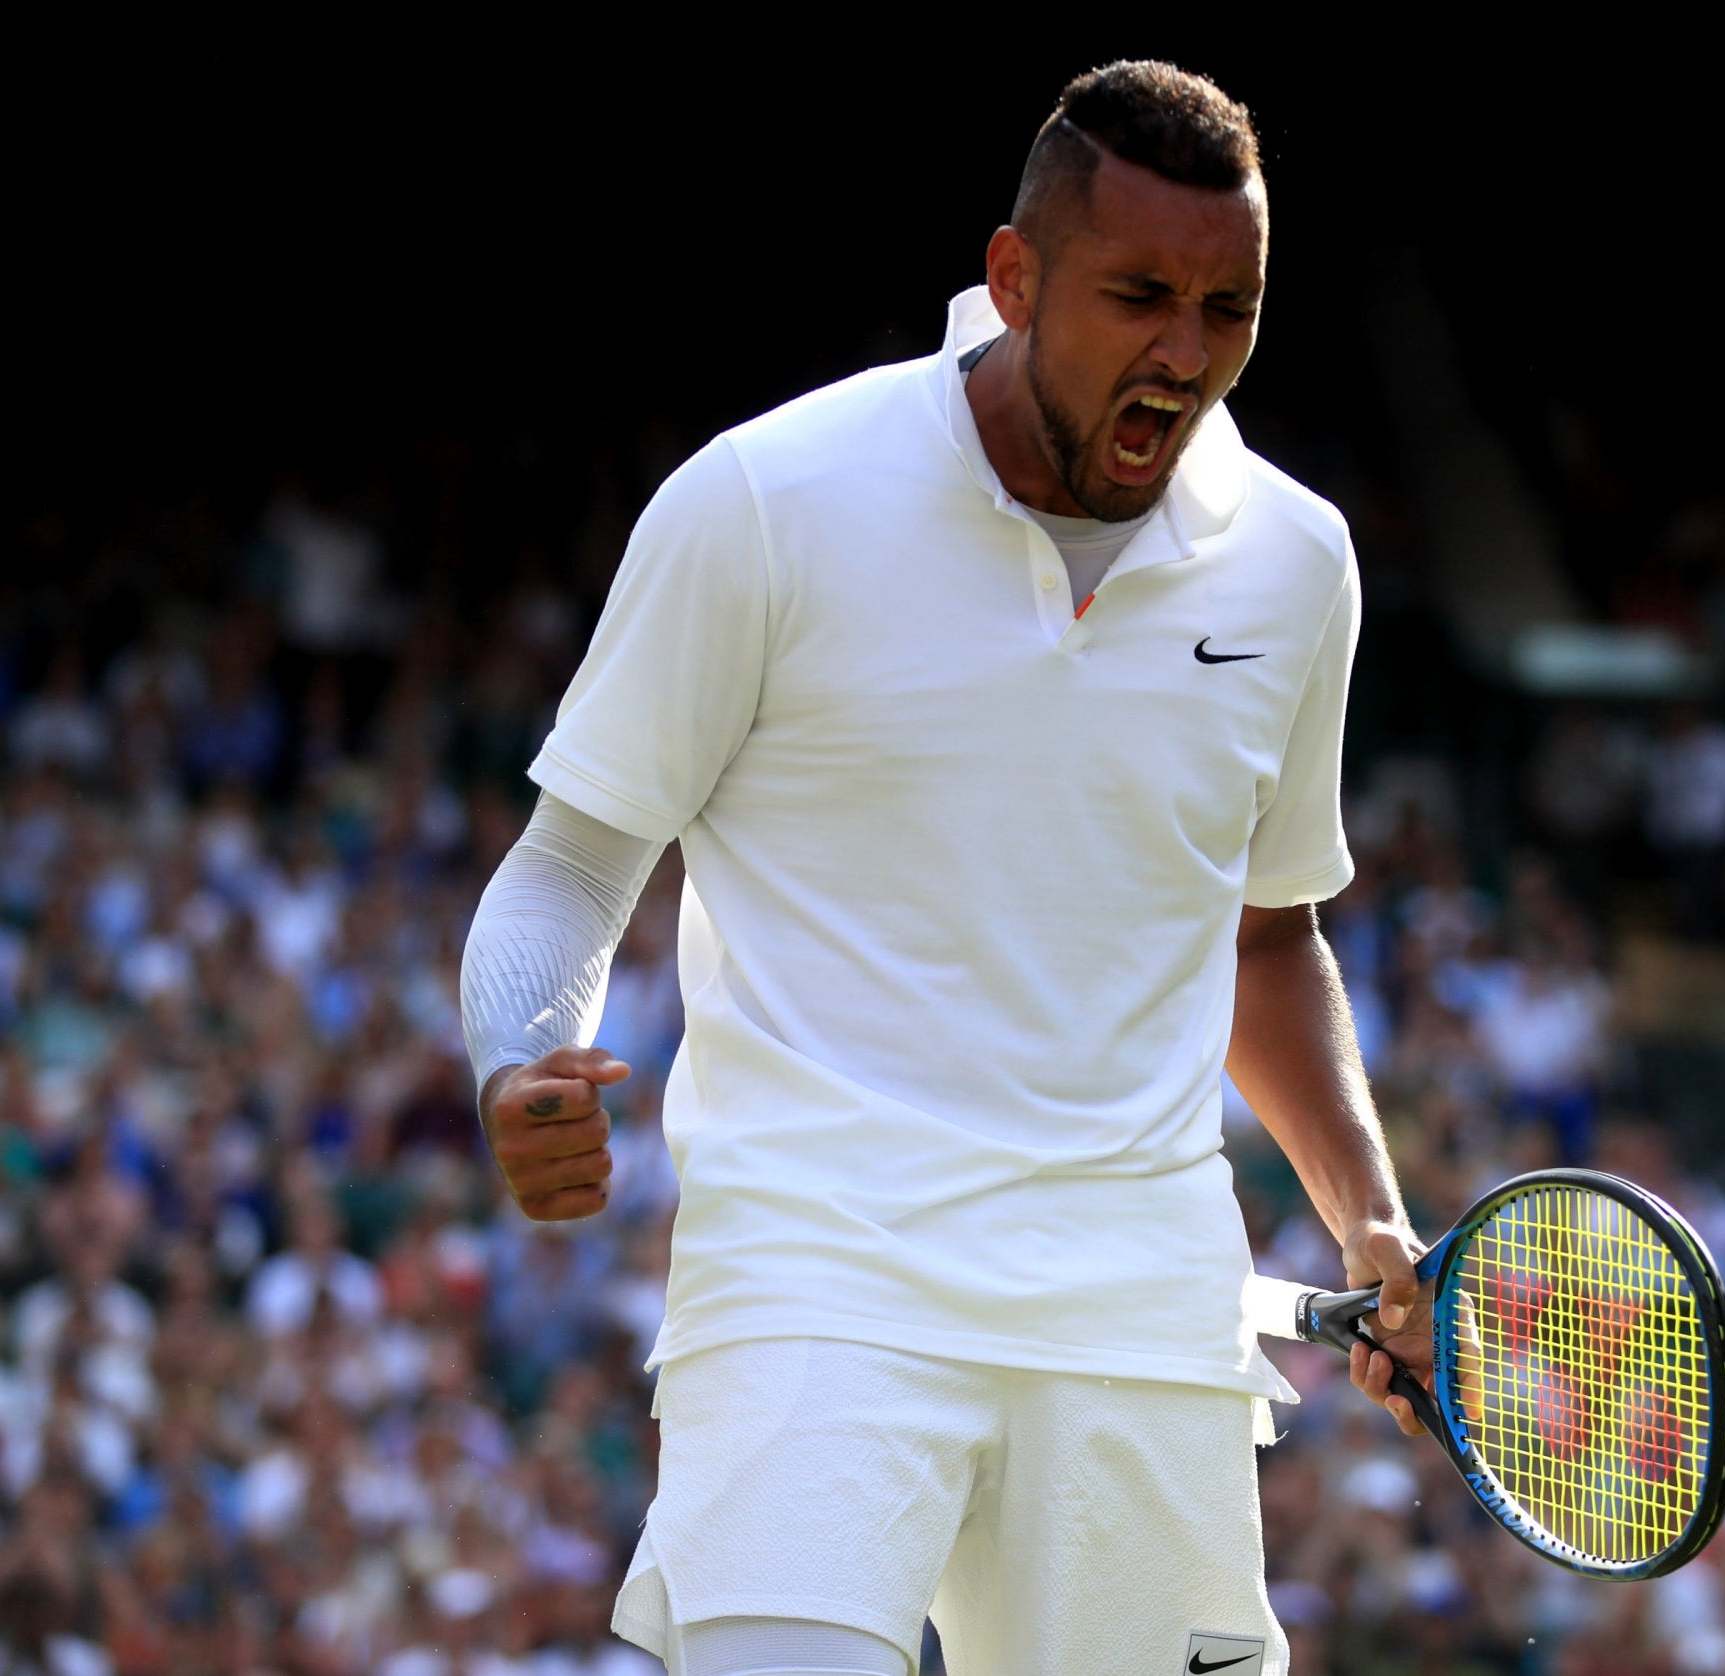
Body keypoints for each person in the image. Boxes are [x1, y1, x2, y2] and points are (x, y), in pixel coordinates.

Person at [458, 62, 1424, 1676]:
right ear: (1013, 279)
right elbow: (573, 860)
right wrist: (511, 1056)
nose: (1184, 357)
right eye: (1138, 298)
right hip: (817, 1287)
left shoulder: (1294, 560)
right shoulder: (767, 499)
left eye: (1228, 309)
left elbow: (1263, 940)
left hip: (1140, 1314)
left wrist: (1368, 1218)